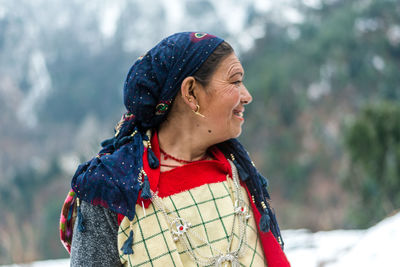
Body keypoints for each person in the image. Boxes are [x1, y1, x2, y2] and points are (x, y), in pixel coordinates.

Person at [60, 32, 290, 267]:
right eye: (235, 81)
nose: (247, 96)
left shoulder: (237, 171)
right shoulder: (114, 187)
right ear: (191, 92)